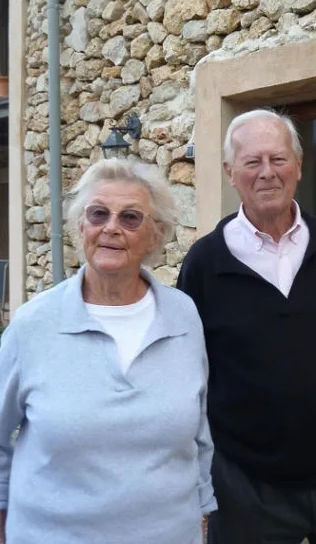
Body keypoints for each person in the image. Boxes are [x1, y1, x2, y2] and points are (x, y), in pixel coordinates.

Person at [177, 109, 316, 544]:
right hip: (247, 488)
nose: (267, 173)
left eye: (278, 159)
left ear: (298, 166)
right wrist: (213, 466)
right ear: (230, 172)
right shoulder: (205, 262)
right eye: (252, 162)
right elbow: (189, 373)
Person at [0, 158, 217, 544]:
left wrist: (202, 507)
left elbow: (198, 429)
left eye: (131, 218)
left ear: (156, 235)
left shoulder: (183, 315)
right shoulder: (33, 325)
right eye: (98, 214)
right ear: (80, 226)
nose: (111, 228)